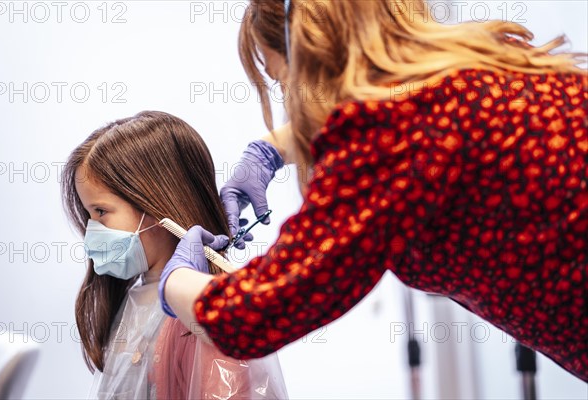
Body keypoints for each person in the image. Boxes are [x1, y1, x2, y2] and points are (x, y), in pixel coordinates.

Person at [159, 0, 588, 382]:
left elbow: (255, 315)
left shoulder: (388, 133)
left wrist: (175, 280)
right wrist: (269, 150)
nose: (288, 97)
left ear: (311, 57)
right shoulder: (489, 66)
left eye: (281, 78)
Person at [61, 111, 287, 399]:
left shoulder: (204, 316)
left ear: (156, 206)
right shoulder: (135, 300)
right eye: (89, 214)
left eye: (101, 212)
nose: (92, 230)